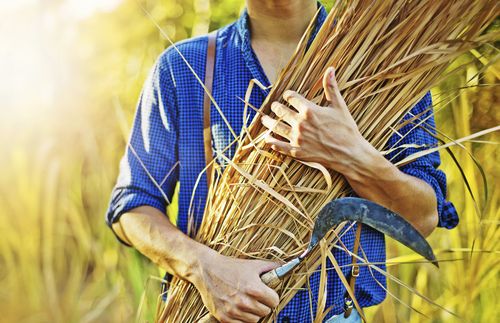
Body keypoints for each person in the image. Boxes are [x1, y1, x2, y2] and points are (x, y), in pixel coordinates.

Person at [105, 1, 458, 322]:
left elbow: (422, 218)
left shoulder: (393, 66)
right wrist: (203, 267)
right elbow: (132, 208)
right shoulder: (184, 68)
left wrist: (352, 154)